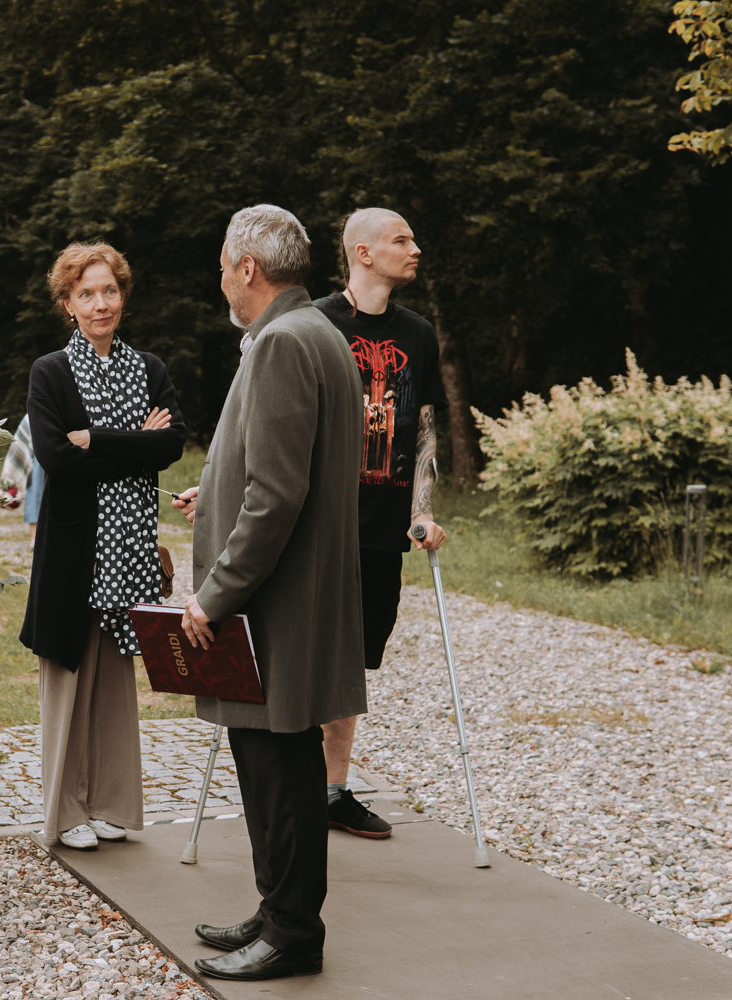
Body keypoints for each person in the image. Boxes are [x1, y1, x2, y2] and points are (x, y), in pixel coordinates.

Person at [174, 205, 365, 982]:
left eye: (224, 265)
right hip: (293, 594)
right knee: (274, 766)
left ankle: (292, 933)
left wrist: (214, 596)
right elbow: (280, 469)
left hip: (274, 604)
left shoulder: (286, 340)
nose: (222, 278)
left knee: (280, 771)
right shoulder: (316, 332)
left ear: (247, 268)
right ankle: (277, 908)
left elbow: (276, 495)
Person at [19, 241, 187, 851]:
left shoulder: (149, 368)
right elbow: (57, 459)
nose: (100, 304)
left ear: (123, 296)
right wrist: (133, 441)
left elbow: (173, 443)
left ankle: (111, 804)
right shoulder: (50, 372)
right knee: (68, 681)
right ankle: (66, 813)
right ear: (68, 303)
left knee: (114, 686)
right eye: (86, 293)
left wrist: (97, 438)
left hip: (129, 554)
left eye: (109, 290)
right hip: (74, 556)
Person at [313, 208, 448, 839]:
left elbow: (424, 430)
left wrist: (422, 508)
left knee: (353, 666)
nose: (415, 248)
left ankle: (332, 792)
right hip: (319, 527)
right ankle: (293, 787)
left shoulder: (417, 332)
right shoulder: (313, 322)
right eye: (402, 239)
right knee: (310, 657)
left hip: (381, 527)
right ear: (363, 252)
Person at [0, 413, 46, 542]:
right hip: (39, 457)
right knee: (36, 488)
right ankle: (34, 537)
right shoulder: (34, 414)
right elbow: (19, 445)